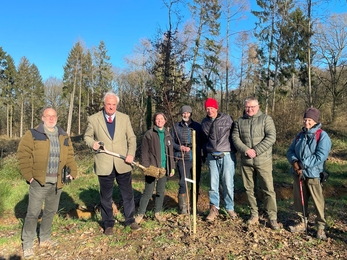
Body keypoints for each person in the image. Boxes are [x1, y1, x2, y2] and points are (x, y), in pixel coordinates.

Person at [17, 107, 77, 259]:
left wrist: (73, 171)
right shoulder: (33, 134)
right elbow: (23, 155)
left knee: (50, 211)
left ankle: (44, 238)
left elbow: (69, 155)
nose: (51, 118)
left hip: (57, 182)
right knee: (33, 213)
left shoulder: (63, 135)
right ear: (42, 118)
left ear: (57, 117)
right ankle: (28, 243)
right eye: (48, 116)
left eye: (53, 115)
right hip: (38, 182)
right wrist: (29, 176)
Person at [84, 91, 140, 234]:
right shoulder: (93, 119)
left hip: (123, 162)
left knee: (127, 194)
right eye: (108, 104)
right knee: (106, 196)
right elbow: (87, 137)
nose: (111, 107)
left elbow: (132, 138)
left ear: (117, 105)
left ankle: (130, 220)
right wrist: (93, 144)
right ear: (104, 104)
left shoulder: (124, 118)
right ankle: (108, 223)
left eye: (113, 104)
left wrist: (131, 154)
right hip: (104, 163)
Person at [232, 96, 279, 230]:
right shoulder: (239, 121)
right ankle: (254, 214)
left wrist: (256, 150)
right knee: (249, 189)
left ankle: (272, 217)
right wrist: (246, 150)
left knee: (268, 189)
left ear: (258, 107)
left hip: (263, 160)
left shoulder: (266, 119)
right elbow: (235, 138)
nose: (250, 109)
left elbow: (271, 137)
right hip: (246, 161)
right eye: (247, 107)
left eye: (252, 106)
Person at [286, 107, 331, 240]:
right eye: (305, 119)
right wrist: (294, 162)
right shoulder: (299, 135)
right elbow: (290, 151)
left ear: (315, 121)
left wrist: (302, 165)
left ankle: (320, 227)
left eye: (310, 120)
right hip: (297, 174)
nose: (307, 122)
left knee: (318, 201)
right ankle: (302, 222)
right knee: (300, 199)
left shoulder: (322, 136)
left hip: (314, 174)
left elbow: (320, 155)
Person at [201, 98, 237, 222]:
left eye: (211, 108)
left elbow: (235, 134)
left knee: (228, 183)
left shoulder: (227, 119)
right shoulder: (204, 122)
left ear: (216, 108)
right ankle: (214, 208)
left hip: (227, 154)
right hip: (212, 156)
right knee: (213, 184)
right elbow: (204, 139)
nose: (209, 110)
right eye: (207, 108)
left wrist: (235, 149)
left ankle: (230, 208)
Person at [135, 112, 175, 223]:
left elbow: (170, 152)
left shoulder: (168, 134)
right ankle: (140, 214)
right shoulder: (149, 134)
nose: (159, 121)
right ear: (154, 121)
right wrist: (146, 167)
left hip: (163, 168)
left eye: (161, 119)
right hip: (152, 168)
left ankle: (157, 213)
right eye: (157, 119)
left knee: (160, 192)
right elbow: (144, 151)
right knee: (148, 192)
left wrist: (171, 167)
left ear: (165, 120)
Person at [171, 105, 203, 214]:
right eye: (184, 113)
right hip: (182, 158)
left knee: (195, 182)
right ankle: (183, 208)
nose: (186, 115)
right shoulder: (176, 127)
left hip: (195, 157)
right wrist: (180, 147)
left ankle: (194, 207)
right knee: (183, 182)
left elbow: (202, 142)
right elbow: (171, 142)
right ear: (181, 114)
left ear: (191, 114)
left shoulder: (198, 126)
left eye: (188, 113)